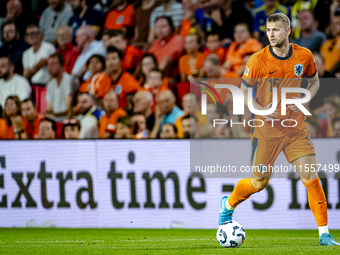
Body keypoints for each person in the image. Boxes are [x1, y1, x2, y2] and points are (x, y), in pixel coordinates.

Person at [218, 13, 340, 246]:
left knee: (311, 178)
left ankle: (324, 234)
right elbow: (243, 92)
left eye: (275, 29)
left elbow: (314, 82)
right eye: (268, 30)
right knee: (259, 183)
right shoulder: (257, 60)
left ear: (288, 31)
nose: (271, 34)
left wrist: (306, 98)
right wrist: (261, 110)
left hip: (295, 128)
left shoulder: (304, 56)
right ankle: (228, 203)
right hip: (266, 131)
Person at [46, 53, 73, 120]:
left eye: (53, 64)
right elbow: (49, 108)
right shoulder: (50, 84)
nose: (50, 67)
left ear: (61, 65)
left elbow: (67, 109)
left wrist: (53, 115)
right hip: (55, 118)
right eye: (49, 64)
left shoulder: (69, 80)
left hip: (66, 118)